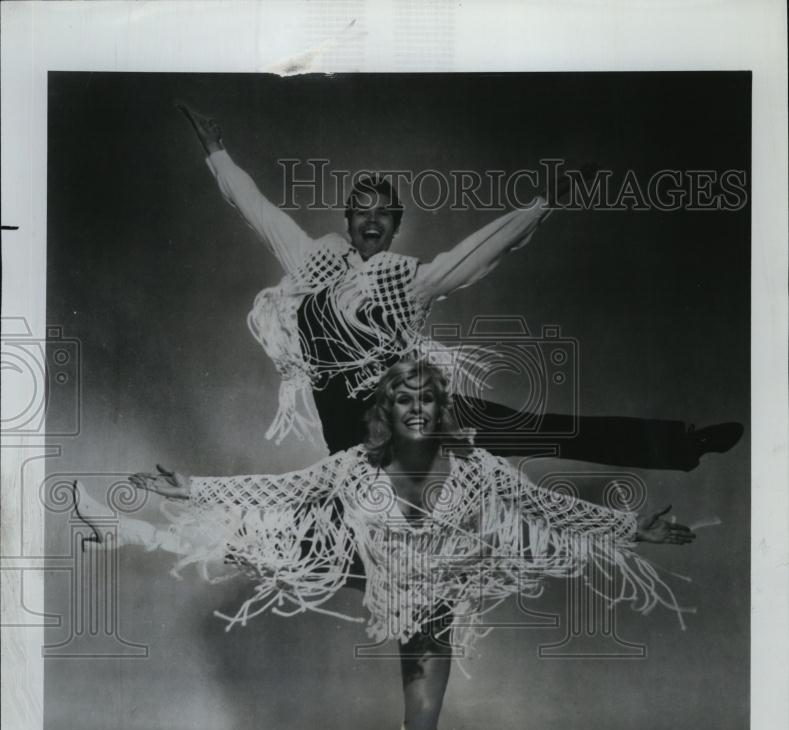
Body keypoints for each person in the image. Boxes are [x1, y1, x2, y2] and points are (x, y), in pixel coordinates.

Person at [74, 361, 695, 730]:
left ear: (440, 408)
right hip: (364, 564)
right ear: (386, 411)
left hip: (430, 594)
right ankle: (128, 532)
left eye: (427, 397)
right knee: (262, 549)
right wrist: (194, 486)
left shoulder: (478, 469)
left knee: (425, 715)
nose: (418, 407)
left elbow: (546, 509)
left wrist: (635, 527)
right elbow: (281, 489)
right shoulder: (355, 465)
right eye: (404, 398)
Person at [176, 103, 742, 469]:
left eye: (384, 216)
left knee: (537, 431)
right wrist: (217, 153)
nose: (371, 222)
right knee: (346, 520)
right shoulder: (309, 260)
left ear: (396, 226)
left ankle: (683, 442)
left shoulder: (408, 282)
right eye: (361, 213)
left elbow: (482, 250)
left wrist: (545, 203)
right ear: (347, 220)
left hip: (413, 412)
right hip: (351, 439)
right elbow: (259, 211)